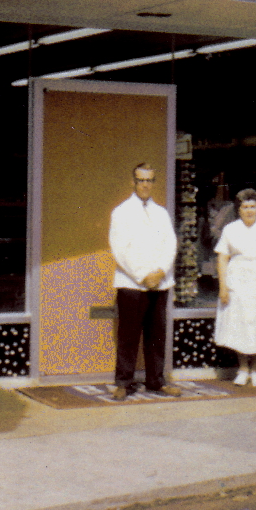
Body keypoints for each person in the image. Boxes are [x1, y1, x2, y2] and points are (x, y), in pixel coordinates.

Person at [108, 163, 182, 401]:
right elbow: (120, 249)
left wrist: (159, 272)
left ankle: (156, 381)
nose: (145, 184)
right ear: (133, 182)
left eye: (149, 180)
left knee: (157, 334)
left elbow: (170, 244)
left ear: (154, 182)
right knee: (128, 336)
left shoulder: (161, 213)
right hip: (131, 284)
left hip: (160, 283)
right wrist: (143, 275)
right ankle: (123, 383)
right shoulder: (121, 212)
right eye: (141, 180)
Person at [213, 188, 256, 388]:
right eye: (245, 207)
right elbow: (223, 258)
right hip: (238, 283)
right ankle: (243, 369)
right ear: (239, 209)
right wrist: (223, 287)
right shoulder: (230, 229)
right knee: (240, 325)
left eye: (253, 206)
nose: (249, 211)